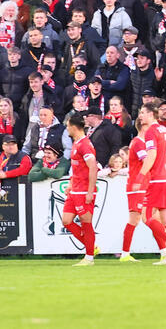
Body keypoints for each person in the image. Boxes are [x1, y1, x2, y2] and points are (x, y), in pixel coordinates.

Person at [132, 101, 166, 265]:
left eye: (142, 112)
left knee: (147, 216)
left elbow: (152, 155)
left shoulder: (151, 131)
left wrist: (140, 177)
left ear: (150, 114)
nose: (140, 116)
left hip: (159, 179)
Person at [118, 112, 166, 263]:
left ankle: (125, 254)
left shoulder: (140, 142)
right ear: (143, 126)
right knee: (150, 219)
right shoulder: (139, 142)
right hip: (139, 185)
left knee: (137, 220)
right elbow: (147, 159)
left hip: (143, 185)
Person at [62, 114, 98, 266]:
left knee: (86, 222)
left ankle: (89, 257)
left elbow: (93, 167)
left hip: (84, 191)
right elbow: (76, 168)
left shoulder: (85, 144)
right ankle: (91, 247)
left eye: (68, 125)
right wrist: (71, 184)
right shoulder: (76, 143)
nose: (67, 128)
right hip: (75, 189)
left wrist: (90, 191)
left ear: (74, 127)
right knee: (66, 221)